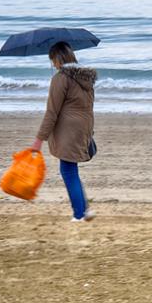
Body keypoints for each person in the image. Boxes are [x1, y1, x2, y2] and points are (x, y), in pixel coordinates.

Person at [31, 42, 97, 222]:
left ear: (58, 59)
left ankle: (79, 215)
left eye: (53, 60)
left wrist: (39, 139)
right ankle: (85, 209)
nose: (53, 65)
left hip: (68, 130)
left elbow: (52, 112)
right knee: (71, 169)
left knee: (68, 170)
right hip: (84, 126)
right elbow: (88, 107)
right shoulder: (86, 78)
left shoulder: (60, 79)